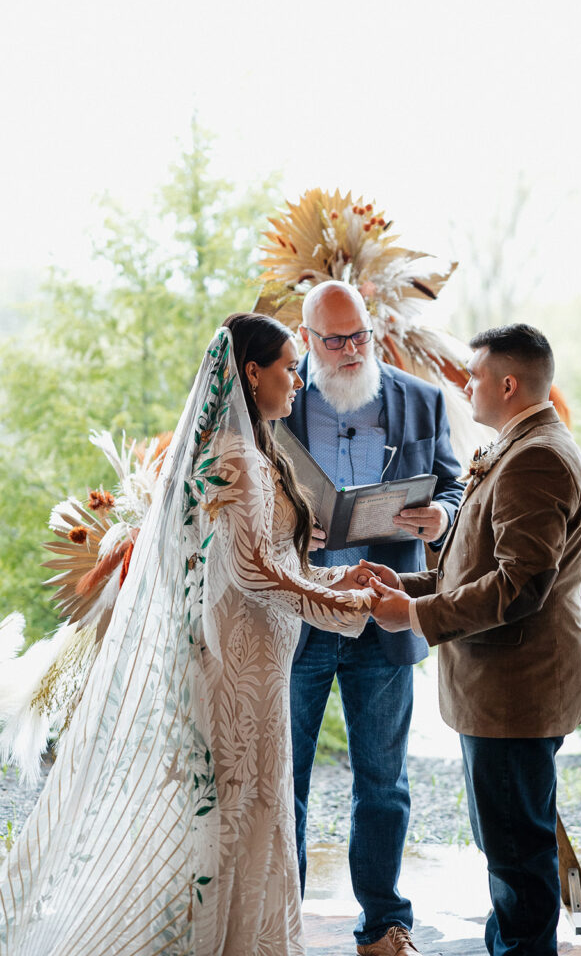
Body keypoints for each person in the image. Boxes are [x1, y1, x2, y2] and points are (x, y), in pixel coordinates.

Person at [0, 313, 377, 956]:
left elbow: (276, 560)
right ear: (250, 373)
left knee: (260, 802)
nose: (298, 378)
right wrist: (343, 606)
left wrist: (338, 581)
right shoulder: (234, 458)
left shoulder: (261, 450)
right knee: (237, 807)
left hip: (262, 659)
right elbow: (250, 570)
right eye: (288, 366)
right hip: (237, 663)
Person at [357, 324, 581, 956]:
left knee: (517, 855)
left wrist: (414, 618)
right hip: (503, 689)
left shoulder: (536, 459)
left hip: (517, 692)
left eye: (474, 374)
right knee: (507, 844)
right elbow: (471, 566)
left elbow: (520, 587)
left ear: (509, 383)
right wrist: (408, 587)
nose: (466, 383)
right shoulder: (517, 446)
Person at [284, 281, 463, 956]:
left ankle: (385, 924)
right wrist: (291, 536)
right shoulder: (277, 401)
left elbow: (453, 483)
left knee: (383, 784)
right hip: (299, 620)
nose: (351, 349)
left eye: (359, 334)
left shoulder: (420, 399)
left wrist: (441, 514)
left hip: (382, 618)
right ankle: (278, 919)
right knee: (285, 782)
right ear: (306, 341)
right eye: (334, 340)